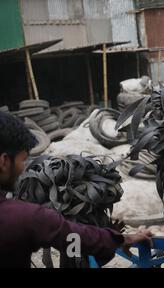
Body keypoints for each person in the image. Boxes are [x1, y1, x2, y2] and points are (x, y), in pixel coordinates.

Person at [0, 111, 153, 268]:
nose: (23, 168)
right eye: (23, 160)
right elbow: (76, 237)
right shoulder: (23, 217)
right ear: (4, 161)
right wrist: (124, 239)